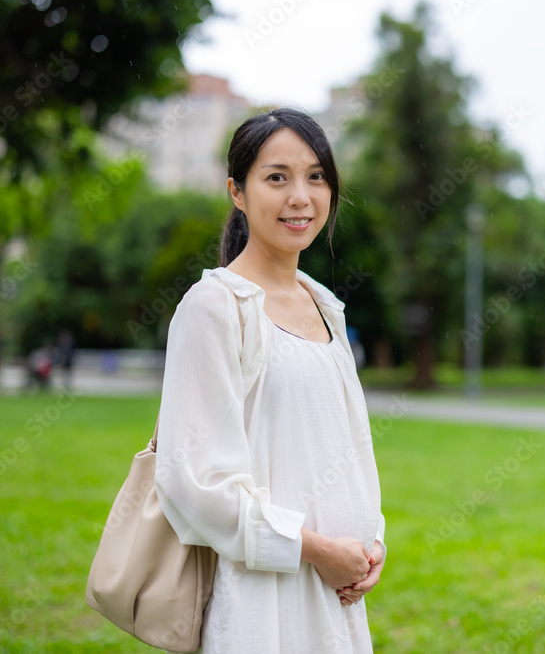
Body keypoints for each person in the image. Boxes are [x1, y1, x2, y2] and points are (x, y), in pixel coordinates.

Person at [154, 108, 386, 654]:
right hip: (263, 599)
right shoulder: (214, 306)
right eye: (276, 177)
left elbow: (352, 447)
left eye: (316, 176)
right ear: (237, 191)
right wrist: (313, 548)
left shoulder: (326, 305)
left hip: (339, 597)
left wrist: (371, 543)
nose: (300, 197)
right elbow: (192, 480)